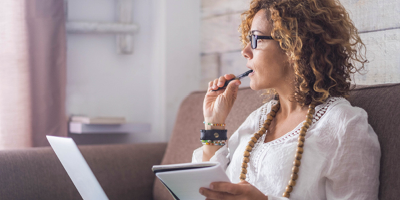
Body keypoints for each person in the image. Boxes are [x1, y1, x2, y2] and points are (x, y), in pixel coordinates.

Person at [192, 0, 381, 199]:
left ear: (293, 46)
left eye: (255, 39)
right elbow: (209, 187)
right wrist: (214, 123)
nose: (245, 51)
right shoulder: (259, 119)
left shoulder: (344, 124)